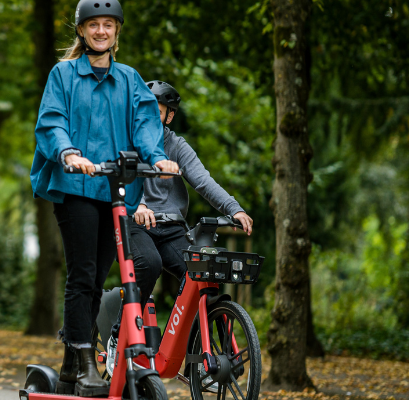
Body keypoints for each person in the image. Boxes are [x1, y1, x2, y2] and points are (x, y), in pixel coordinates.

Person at [30, 0, 179, 396]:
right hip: (76, 187)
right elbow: (51, 121)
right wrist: (68, 153)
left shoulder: (130, 80)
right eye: (93, 25)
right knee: (82, 276)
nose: (100, 31)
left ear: (117, 31)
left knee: (97, 279)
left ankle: (69, 365)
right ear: (82, 31)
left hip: (114, 192)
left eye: (108, 25)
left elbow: (146, 124)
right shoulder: (63, 74)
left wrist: (159, 158)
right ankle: (83, 361)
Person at [129, 80, 253, 313]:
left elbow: (203, 181)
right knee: (149, 264)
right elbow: (125, 180)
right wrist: (139, 205)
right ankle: (119, 333)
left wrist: (233, 208)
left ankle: (188, 341)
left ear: (169, 116)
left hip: (170, 228)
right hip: (135, 224)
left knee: (201, 271)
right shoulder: (128, 141)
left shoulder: (177, 146)